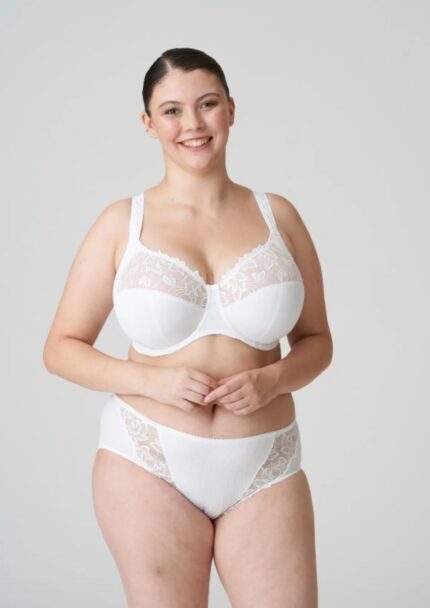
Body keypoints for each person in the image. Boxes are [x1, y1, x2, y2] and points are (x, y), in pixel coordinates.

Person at [43, 47, 333, 608]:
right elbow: (61, 348)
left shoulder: (279, 216)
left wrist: (272, 380)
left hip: (266, 463)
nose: (193, 124)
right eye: (172, 110)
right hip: (147, 462)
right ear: (148, 123)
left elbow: (318, 342)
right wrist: (151, 381)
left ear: (231, 109)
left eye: (207, 104)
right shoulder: (121, 223)